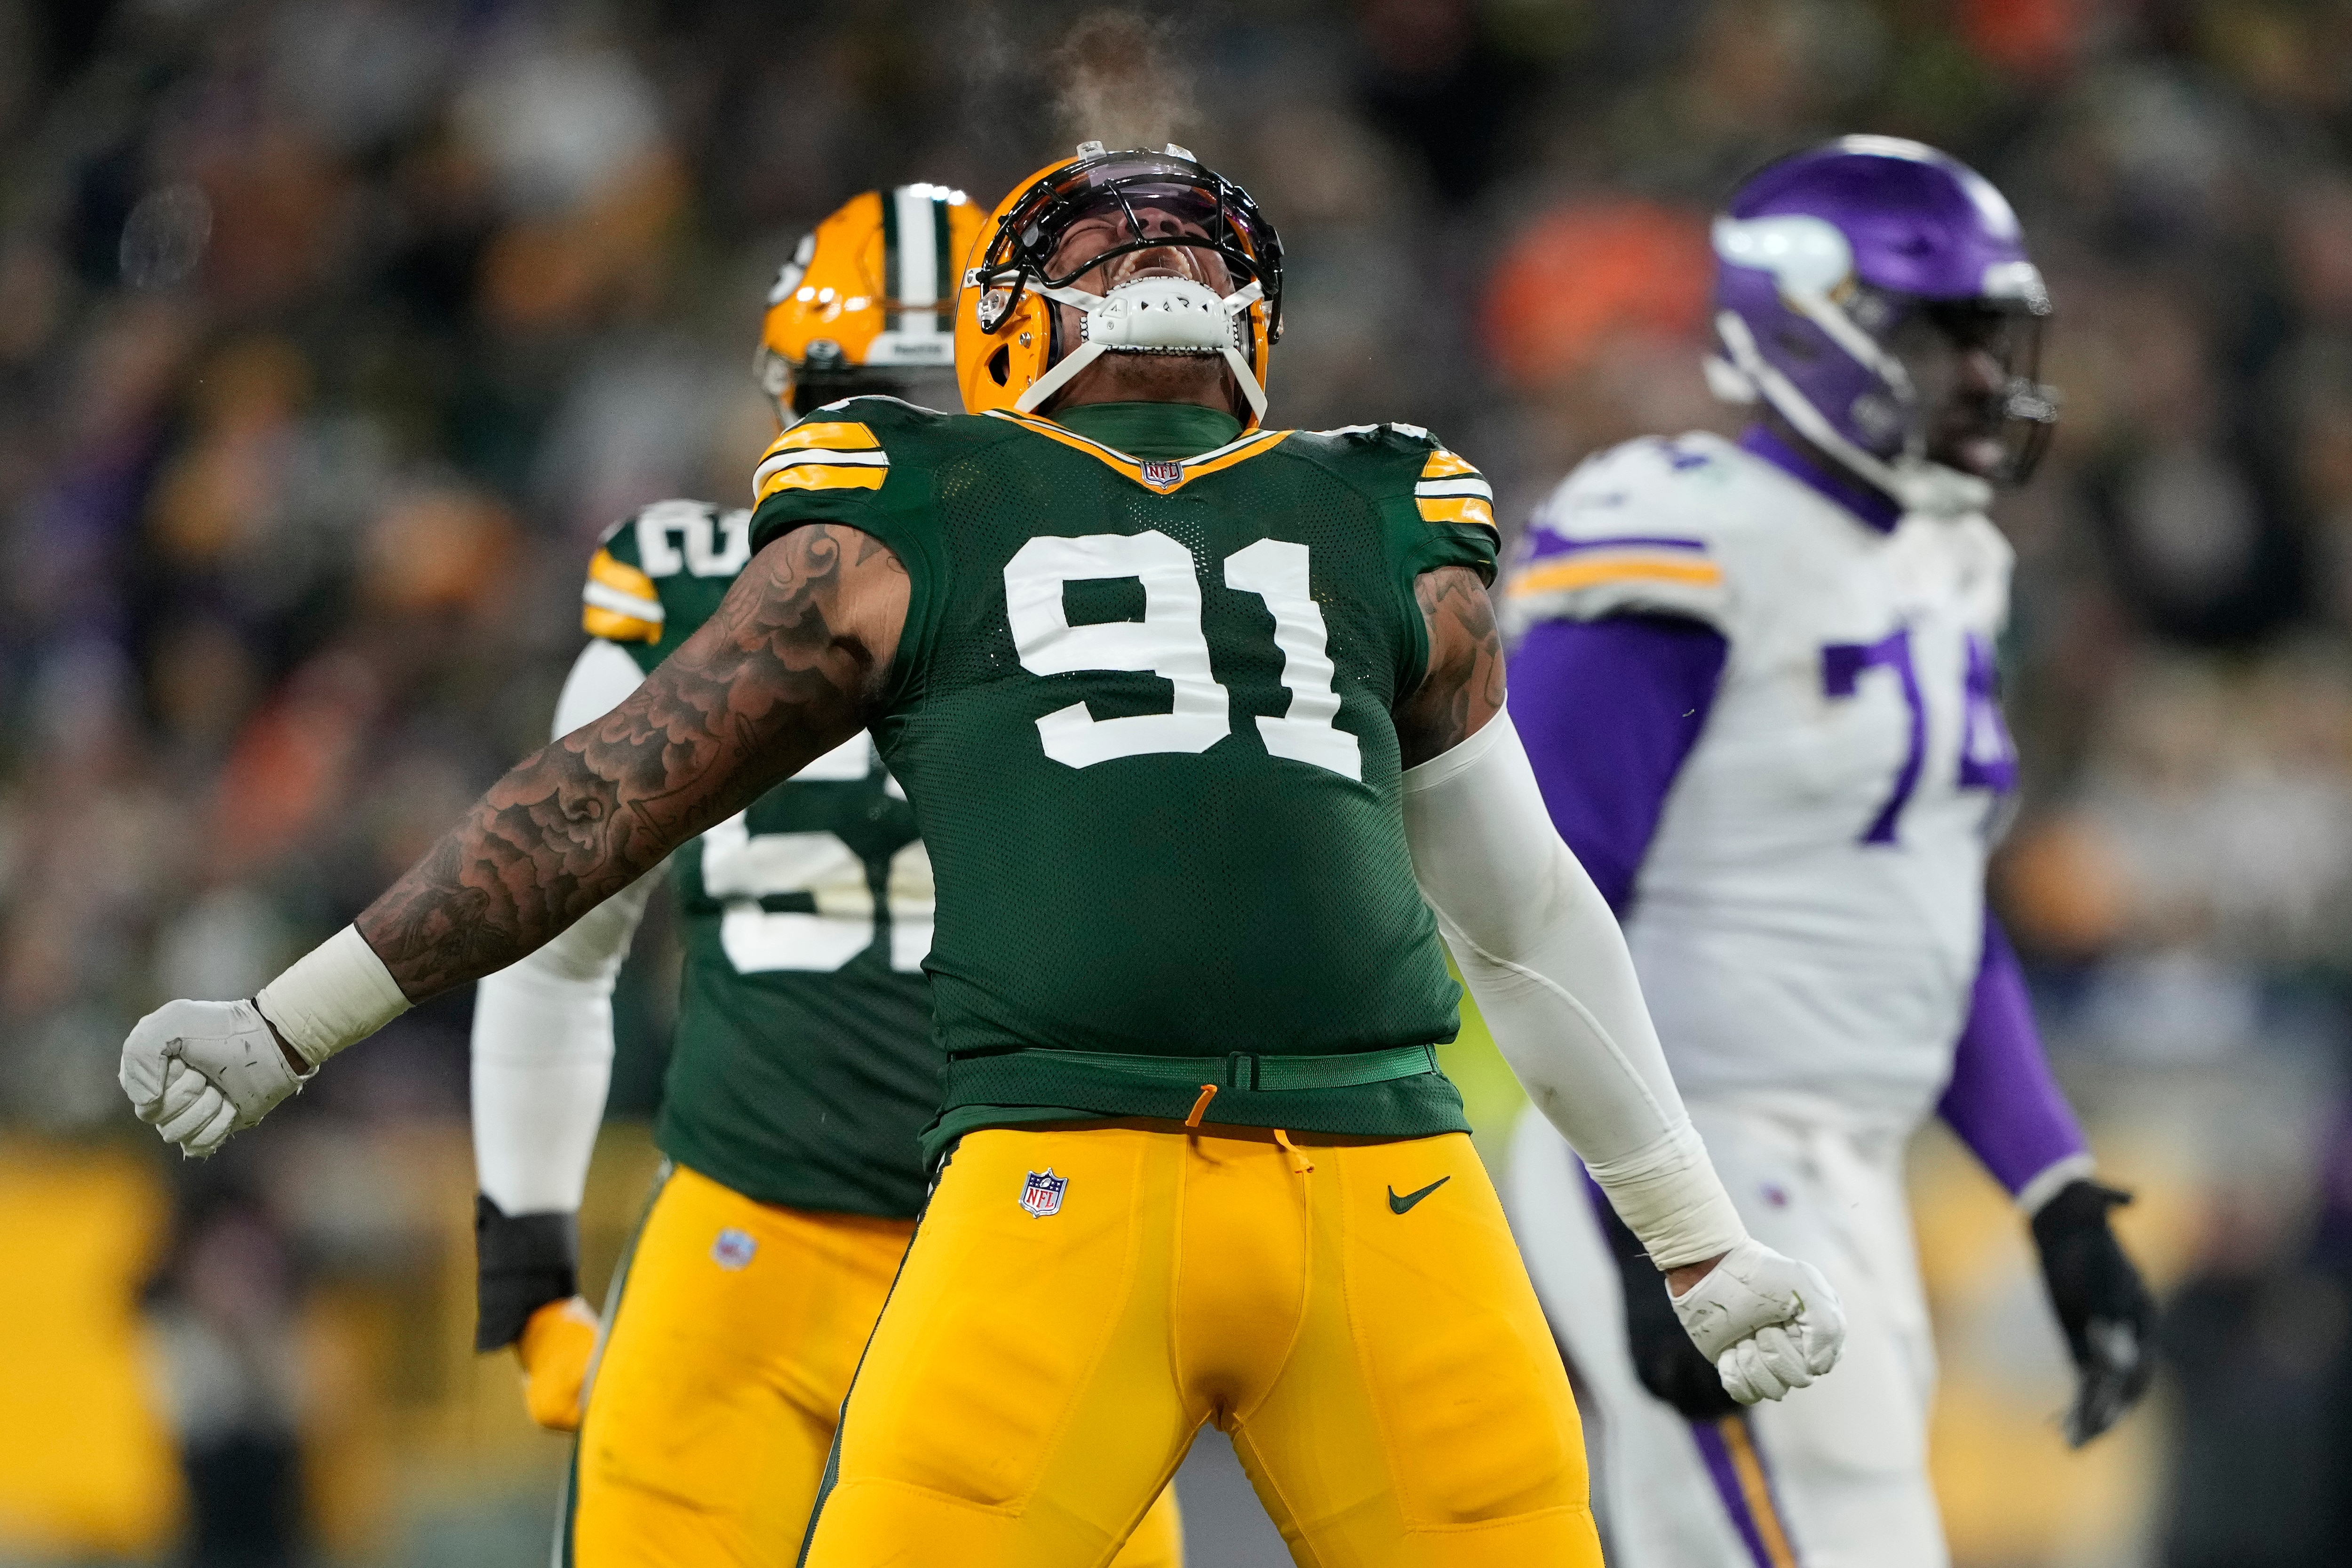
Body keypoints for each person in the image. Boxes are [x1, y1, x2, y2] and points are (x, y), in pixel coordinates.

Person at [120, 143, 1847, 1568]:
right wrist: (1685, 1227)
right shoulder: (1382, 502)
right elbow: (1528, 921)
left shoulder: (933, 503)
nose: (1150, 261)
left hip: (1125, 1191)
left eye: (1173, 235)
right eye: (1117, 239)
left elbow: (591, 806)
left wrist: (293, 1020)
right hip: (1323, 1191)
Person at [464, 183, 1187, 1567]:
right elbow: (556, 938)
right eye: (868, 400)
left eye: (943, 395)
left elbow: (551, 948)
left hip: (1004, 1243)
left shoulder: (1135, 577)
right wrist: (530, 1262)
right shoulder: (1144, 582)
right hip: (803, 1229)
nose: (903, 441)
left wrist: (534, 1257)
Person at [1496, 136, 2155, 1568]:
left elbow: (1927, 902)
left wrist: (2054, 1191)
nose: (1985, 376)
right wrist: (1651, 1233)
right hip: (1704, 1161)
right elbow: (1534, 904)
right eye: (1940, 337)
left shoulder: (1949, 557)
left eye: (1995, 337)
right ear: (1806, 329)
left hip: (1847, 1163)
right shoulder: (1678, 530)